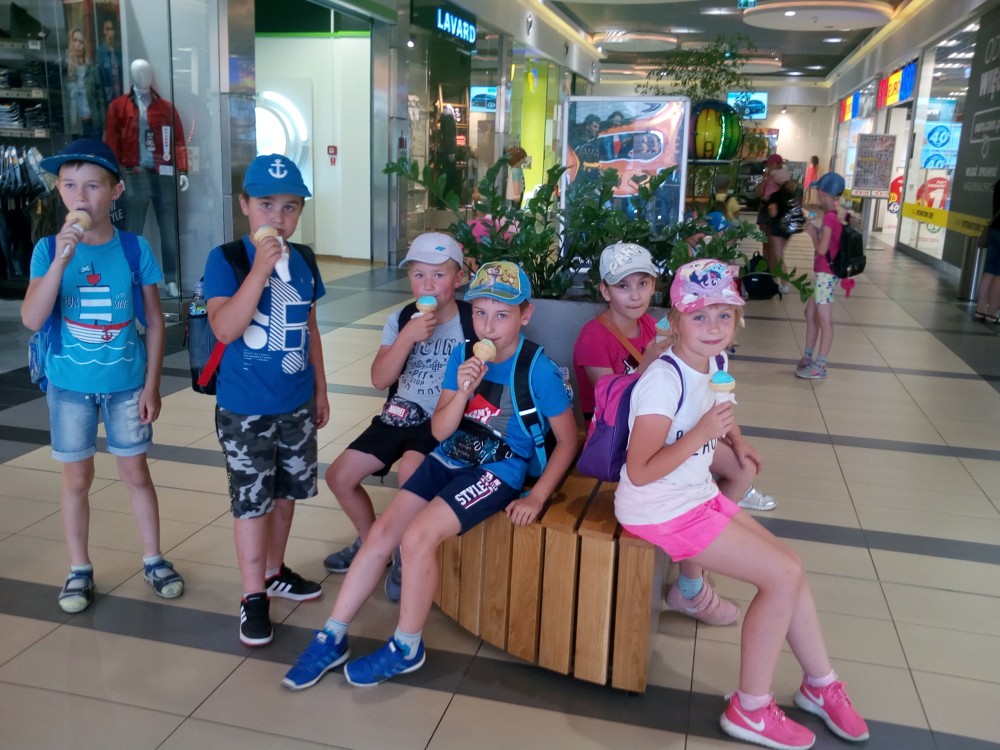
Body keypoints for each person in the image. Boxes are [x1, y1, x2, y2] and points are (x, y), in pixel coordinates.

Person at [281, 261, 578, 690]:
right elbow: (440, 430)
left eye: (502, 315)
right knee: (383, 533)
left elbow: (567, 441)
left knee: (417, 537)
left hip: (498, 468)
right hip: (450, 453)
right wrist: (462, 391)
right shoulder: (462, 354)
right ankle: (332, 635)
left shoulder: (537, 370)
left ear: (525, 315)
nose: (488, 327)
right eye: (481, 313)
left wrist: (537, 496)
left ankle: (406, 646)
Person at [617, 259, 869, 749]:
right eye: (700, 316)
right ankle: (750, 709)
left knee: (791, 567)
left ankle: (820, 684)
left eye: (724, 315)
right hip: (658, 507)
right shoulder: (663, 381)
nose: (713, 327)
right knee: (781, 575)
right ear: (676, 319)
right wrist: (703, 436)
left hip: (692, 494)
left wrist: (736, 438)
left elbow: (719, 409)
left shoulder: (715, 363)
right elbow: (640, 471)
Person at [22, 138, 184, 614]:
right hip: (69, 388)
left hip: (126, 386)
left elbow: (154, 322)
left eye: (92, 186)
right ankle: (79, 568)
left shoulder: (134, 249)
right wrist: (60, 261)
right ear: (58, 191)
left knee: (136, 472)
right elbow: (32, 318)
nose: (80, 196)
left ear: (114, 192)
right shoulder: (47, 249)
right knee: (76, 479)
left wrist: (152, 385)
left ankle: (153, 558)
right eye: (69, 185)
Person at [572, 243, 772, 622]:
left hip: (672, 430)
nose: (635, 295)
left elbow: (704, 392)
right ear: (605, 291)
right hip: (618, 440)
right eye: (623, 286)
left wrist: (737, 438)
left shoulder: (656, 327)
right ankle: (692, 581)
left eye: (643, 283)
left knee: (743, 467)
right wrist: (648, 364)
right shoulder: (593, 337)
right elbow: (610, 402)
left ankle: (697, 557)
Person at [203, 154, 329, 647]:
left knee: (286, 495)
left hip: (296, 403)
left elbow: (310, 328)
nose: (277, 217)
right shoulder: (227, 260)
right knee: (252, 503)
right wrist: (259, 270)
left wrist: (320, 389)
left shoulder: (306, 260)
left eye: (290, 207)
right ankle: (253, 594)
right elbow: (224, 328)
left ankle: (275, 571)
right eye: (265, 205)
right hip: (246, 408)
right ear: (244, 205)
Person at [322, 232, 469, 603]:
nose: (427, 284)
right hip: (399, 415)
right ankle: (373, 540)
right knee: (339, 476)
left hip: (441, 420)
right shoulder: (401, 318)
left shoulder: (471, 321)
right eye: (419, 275)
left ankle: (405, 549)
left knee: (411, 472)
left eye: (438, 275)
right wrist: (407, 337)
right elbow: (379, 379)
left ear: (458, 278)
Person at [105, 59, 189, 298]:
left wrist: (182, 170)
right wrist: (114, 174)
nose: (144, 76)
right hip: (134, 174)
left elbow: (178, 141)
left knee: (169, 229)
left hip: (163, 173)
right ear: (132, 75)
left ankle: (171, 279)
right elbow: (112, 142)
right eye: (139, 72)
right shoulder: (119, 107)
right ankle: (131, 278)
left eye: (147, 71)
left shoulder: (165, 108)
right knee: (133, 229)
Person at [796, 172, 847, 380]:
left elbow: (822, 249)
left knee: (824, 320)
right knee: (810, 313)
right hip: (824, 273)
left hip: (826, 273)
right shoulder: (835, 216)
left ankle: (820, 365)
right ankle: (808, 356)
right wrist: (816, 229)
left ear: (823, 193)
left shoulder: (830, 217)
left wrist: (811, 233)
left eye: (818, 190)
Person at [63, 27, 105, 139]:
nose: (77, 45)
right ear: (70, 43)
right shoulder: (66, 72)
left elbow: (101, 100)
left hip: (93, 124)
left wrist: (105, 128)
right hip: (76, 127)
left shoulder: (92, 70)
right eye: (75, 40)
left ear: (84, 45)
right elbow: (65, 104)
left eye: (81, 42)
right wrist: (67, 130)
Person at [765, 167, 797, 294]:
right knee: (778, 254)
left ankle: (784, 284)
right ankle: (774, 277)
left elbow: (773, 213)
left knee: (779, 257)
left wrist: (769, 210)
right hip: (789, 229)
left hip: (778, 228)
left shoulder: (775, 196)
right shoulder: (792, 196)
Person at [974, 178, 1000, 323]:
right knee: (999, 275)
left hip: (994, 231)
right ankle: (992, 312)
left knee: (989, 271)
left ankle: (980, 309)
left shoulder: (998, 185)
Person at [755, 153, 784, 272]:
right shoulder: (766, 177)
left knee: (774, 242)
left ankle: (772, 269)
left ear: (779, 165)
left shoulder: (782, 177)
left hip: (775, 209)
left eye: (772, 164)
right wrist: (765, 178)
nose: (769, 166)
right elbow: (759, 194)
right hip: (764, 207)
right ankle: (766, 268)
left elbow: (785, 192)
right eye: (768, 164)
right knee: (765, 241)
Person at [96, 19, 123, 105]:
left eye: (111, 29)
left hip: (120, 93)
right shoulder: (101, 52)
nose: (110, 32)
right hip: (108, 97)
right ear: (104, 31)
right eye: (107, 29)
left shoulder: (118, 51)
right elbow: (99, 77)